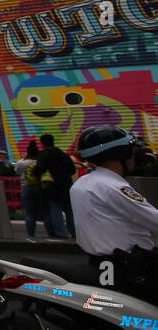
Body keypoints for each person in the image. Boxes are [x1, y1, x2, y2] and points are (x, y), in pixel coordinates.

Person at [70, 126, 158, 300]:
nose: (135, 155)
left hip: (102, 264)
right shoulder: (113, 187)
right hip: (130, 268)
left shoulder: (83, 182)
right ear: (120, 154)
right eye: (132, 150)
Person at [34, 133, 77, 237]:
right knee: (69, 210)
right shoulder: (64, 155)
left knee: (55, 208)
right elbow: (72, 170)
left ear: (42, 143)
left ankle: (60, 232)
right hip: (66, 184)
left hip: (51, 186)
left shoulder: (43, 155)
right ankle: (74, 231)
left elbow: (40, 169)